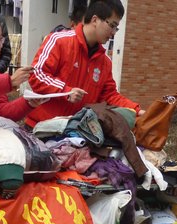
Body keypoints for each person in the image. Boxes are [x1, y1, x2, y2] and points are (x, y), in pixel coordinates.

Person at [25, 0, 143, 128]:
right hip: (41, 127)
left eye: (116, 28)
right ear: (95, 20)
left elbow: (110, 95)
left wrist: (136, 110)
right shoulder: (59, 41)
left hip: (75, 131)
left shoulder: (105, 62)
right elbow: (36, 74)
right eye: (112, 25)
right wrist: (66, 91)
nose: (114, 32)